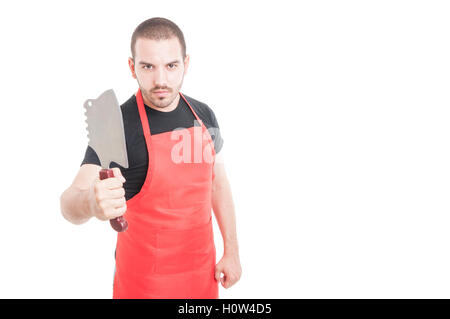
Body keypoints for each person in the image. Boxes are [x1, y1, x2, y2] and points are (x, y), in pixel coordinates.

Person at [60, 17, 241, 299]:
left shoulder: (203, 115)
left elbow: (217, 183)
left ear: (186, 64)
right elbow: (70, 202)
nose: (161, 80)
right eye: (148, 66)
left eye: (171, 66)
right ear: (133, 67)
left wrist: (232, 251)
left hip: (202, 280)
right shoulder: (115, 125)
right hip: (145, 286)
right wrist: (90, 203)